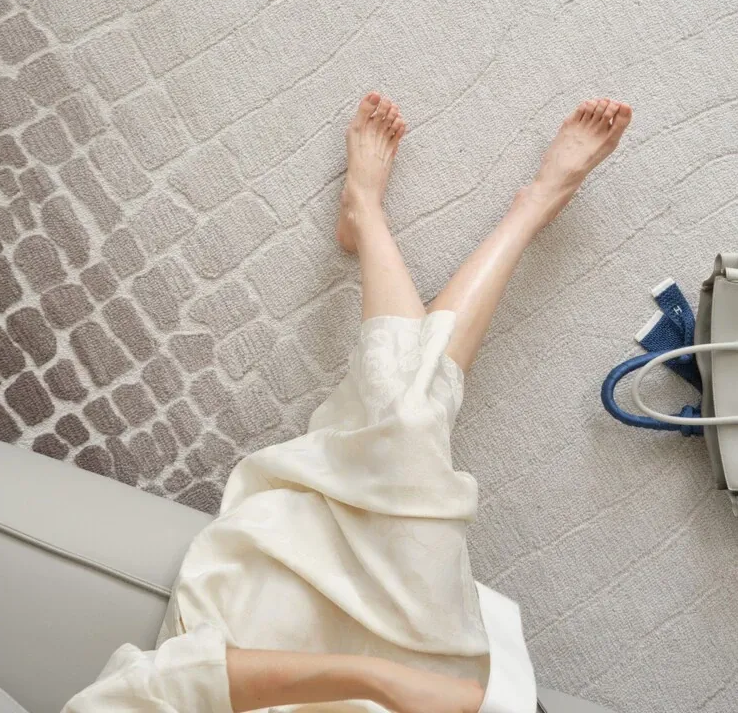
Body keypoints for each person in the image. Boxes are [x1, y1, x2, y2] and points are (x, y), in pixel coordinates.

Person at [63, 93, 632, 713]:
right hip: (423, 650)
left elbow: (147, 690)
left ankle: (428, 211)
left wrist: (373, 679)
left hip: (256, 633)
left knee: (408, 420)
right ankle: (452, 212)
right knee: (408, 416)